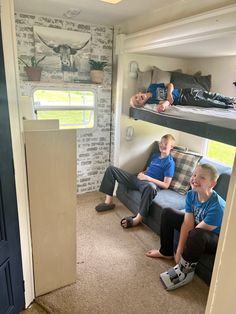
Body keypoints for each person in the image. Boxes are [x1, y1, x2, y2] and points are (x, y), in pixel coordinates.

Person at [145, 163, 225, 291]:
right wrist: (178, 252)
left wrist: (182, 257)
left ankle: (185, 271)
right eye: (194, 175)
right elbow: (188, 223)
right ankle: (165, 252)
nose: (195, 179)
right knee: (168, 212)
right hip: (198, 228)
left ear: (212, 184)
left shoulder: (218, 207)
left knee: (195, 234)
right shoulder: (191, 195)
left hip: (216, 238)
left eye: (202, 177)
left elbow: (196, 231)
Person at [95, 134, 176, 228]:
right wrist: (142, 173)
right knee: (111, 169)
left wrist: (147, 178)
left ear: (171, 147)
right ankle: (108, 203)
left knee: (151, 187)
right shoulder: (155, 156)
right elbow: (148, 169)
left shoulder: (170, 163)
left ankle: (137, 220)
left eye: (165, 143)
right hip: (139, 179)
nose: (162, 145)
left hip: (149, 184)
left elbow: (166, 185)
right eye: (161, 142)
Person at [130, 83, 236, 113]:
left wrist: (169, 94)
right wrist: (164, 104)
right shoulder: (152, 103)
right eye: (138, 102)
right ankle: (230, 106)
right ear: (142, 105)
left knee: (210, 94)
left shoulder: (152, 86)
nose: (138, 99)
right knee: (206, 102)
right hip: (182, 100)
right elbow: (168, 102)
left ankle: (232, 99)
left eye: (136, 97)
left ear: (138, 93)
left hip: (184, 91)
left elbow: (170, 84)